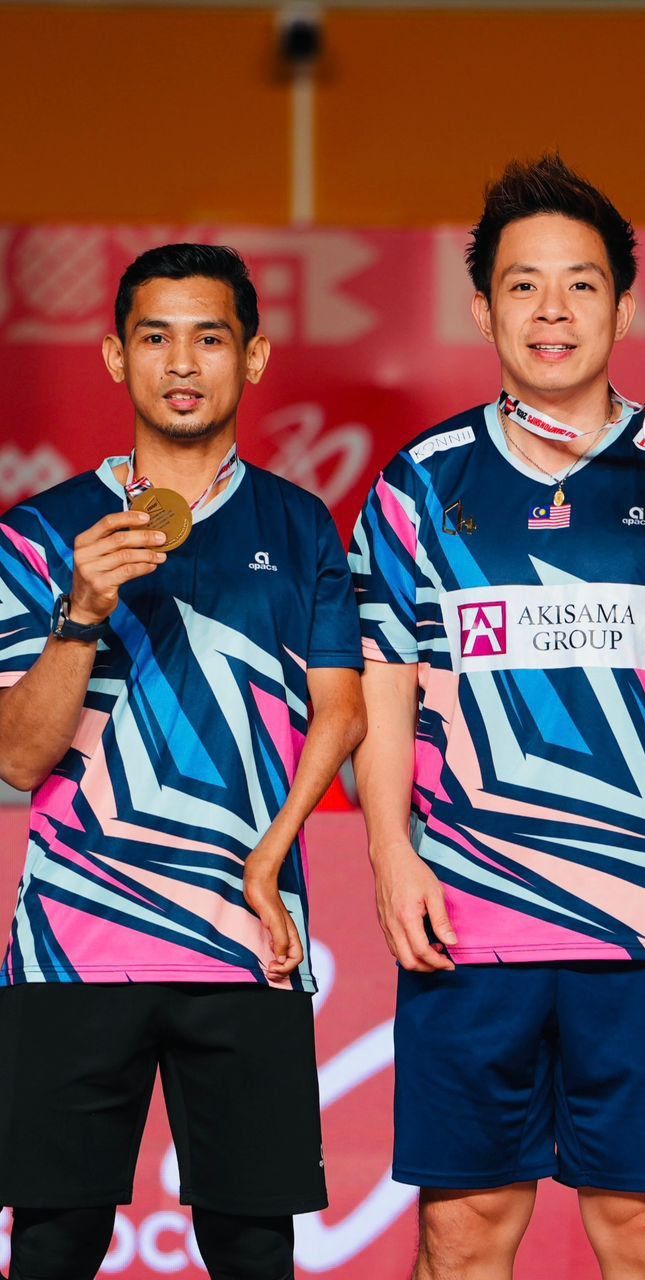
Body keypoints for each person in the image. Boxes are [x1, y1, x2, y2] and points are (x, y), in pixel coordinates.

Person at [349, 154, 645, 1280]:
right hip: (469, 921)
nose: (553, 309)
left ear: (626, 307)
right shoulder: (419, 482)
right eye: (524, 283)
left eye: (582, 284)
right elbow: (384, 681)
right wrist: (391, 853)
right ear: (484, 304)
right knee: (461, 1229)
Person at [0, 243, 366, 1280]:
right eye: (155, 336)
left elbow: (338, 713)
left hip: (245, 940)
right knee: (55, 1240)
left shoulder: (299, 525)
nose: (182, 361)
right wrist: (80, 617)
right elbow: (20, 759)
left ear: (253, 357)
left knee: (255, 1246)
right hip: (72, 942)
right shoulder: (40, 536)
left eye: (209, 336)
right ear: (115, 357)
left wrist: (272, 856)